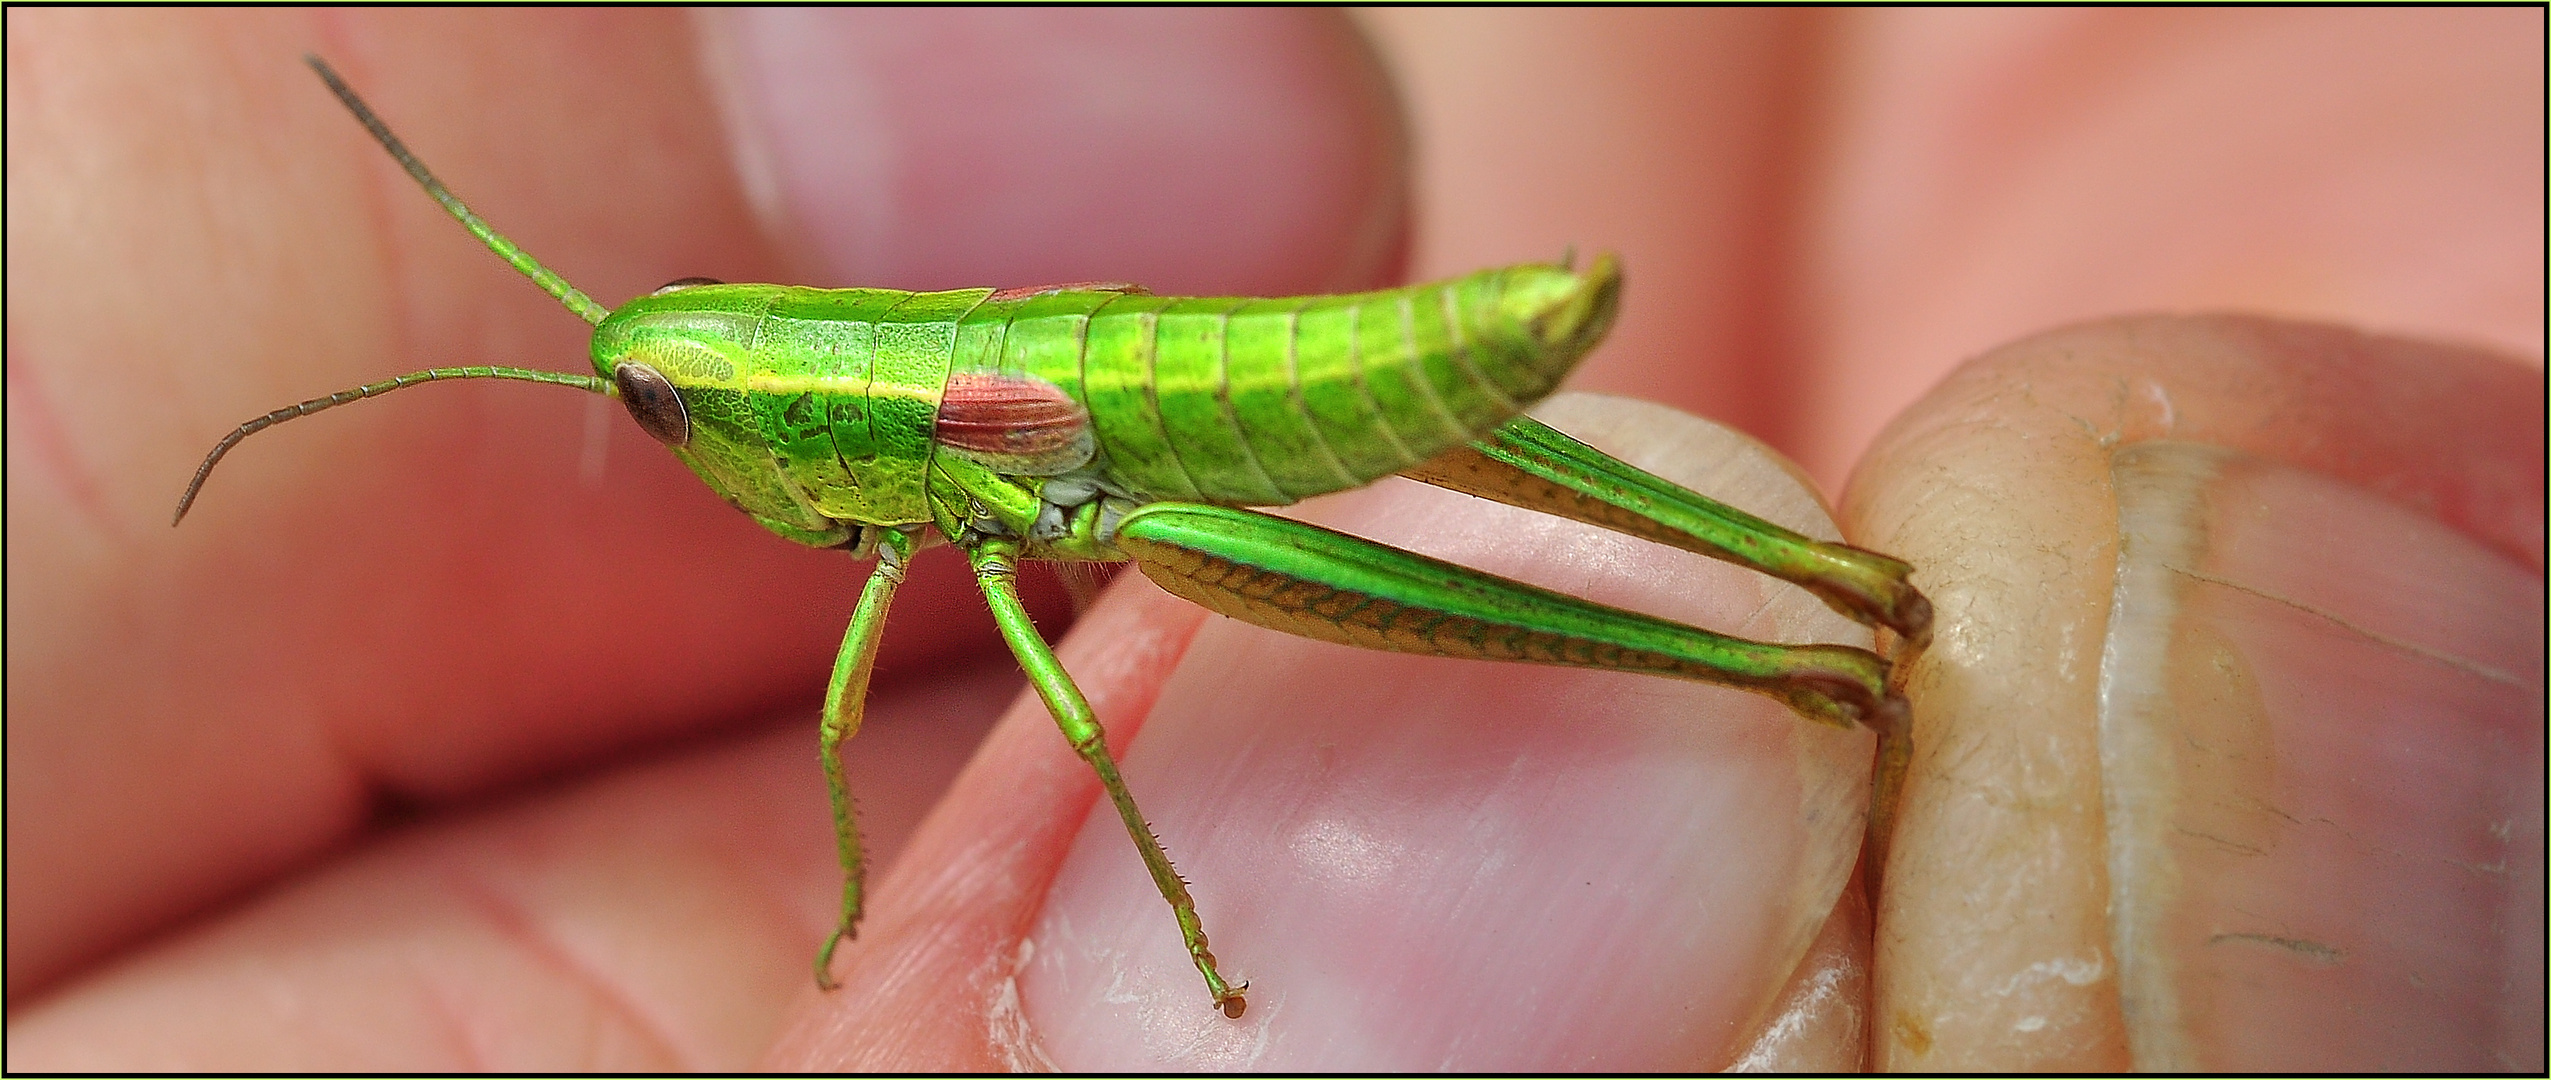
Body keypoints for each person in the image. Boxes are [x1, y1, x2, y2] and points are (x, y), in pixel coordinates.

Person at [8, 9, 2539, 1070]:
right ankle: (1821, 646)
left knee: (1193, 583)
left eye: (671, 397)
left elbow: (868, 715)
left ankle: (1812, 654)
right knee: (1260, 548)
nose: (671, 430)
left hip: (1168, 408)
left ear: (762, 392)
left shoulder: (887, 510)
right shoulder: (854, 430)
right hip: (1151, 410)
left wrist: (1174, 927)